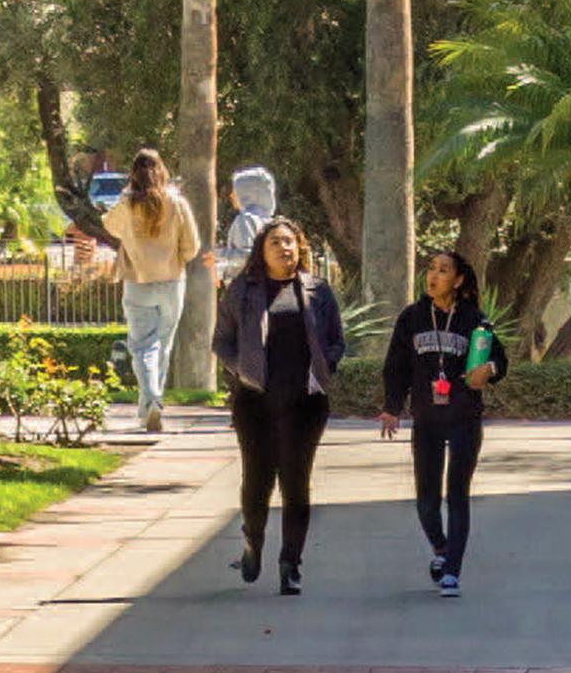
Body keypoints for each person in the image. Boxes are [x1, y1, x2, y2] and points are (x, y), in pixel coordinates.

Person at [211, 217, 346, 596]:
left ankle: (291, 563)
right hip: (255, 402)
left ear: (299, 247)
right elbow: (222, 342)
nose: (285, 248)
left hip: (305, 403)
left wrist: (325, 367)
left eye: (290, 242)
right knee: (257, 482)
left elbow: (336, 340)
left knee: (296, 483)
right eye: (276, 243)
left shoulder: (318, 290)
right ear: (262, 250)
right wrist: (245, 369)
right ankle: (253, 541)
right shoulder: (244, 291)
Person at [378, 248, 507, 599]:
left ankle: (452, 572)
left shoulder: (474, 320)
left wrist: (489, 370)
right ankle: (440, 548)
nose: (433, 276)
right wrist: (392, 407)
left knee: (458, 496)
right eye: (431, 269)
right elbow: (396, 367)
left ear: (459, 279)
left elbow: (499, 358)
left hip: (464, 418)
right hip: (427, 420)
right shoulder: (412, 318)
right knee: (426, 502)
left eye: (443, 270)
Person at [102, 147, 203, 432]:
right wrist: (177, 260)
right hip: (172, 281)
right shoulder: (177, 202)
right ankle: (152, 404)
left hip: (138, 281)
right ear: (162, 170)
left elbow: (109, 225)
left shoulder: (127, 202)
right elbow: (192, 245)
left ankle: (151, 404)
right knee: (163, 344)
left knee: (142, 346)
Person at [218, 165, 277, 281]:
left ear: (247, 193)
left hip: (244, 289)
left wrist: (218, 254)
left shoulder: (245, 220)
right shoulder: (268, 221)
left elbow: (246, 257)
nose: (231, 196)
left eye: (236, 191)